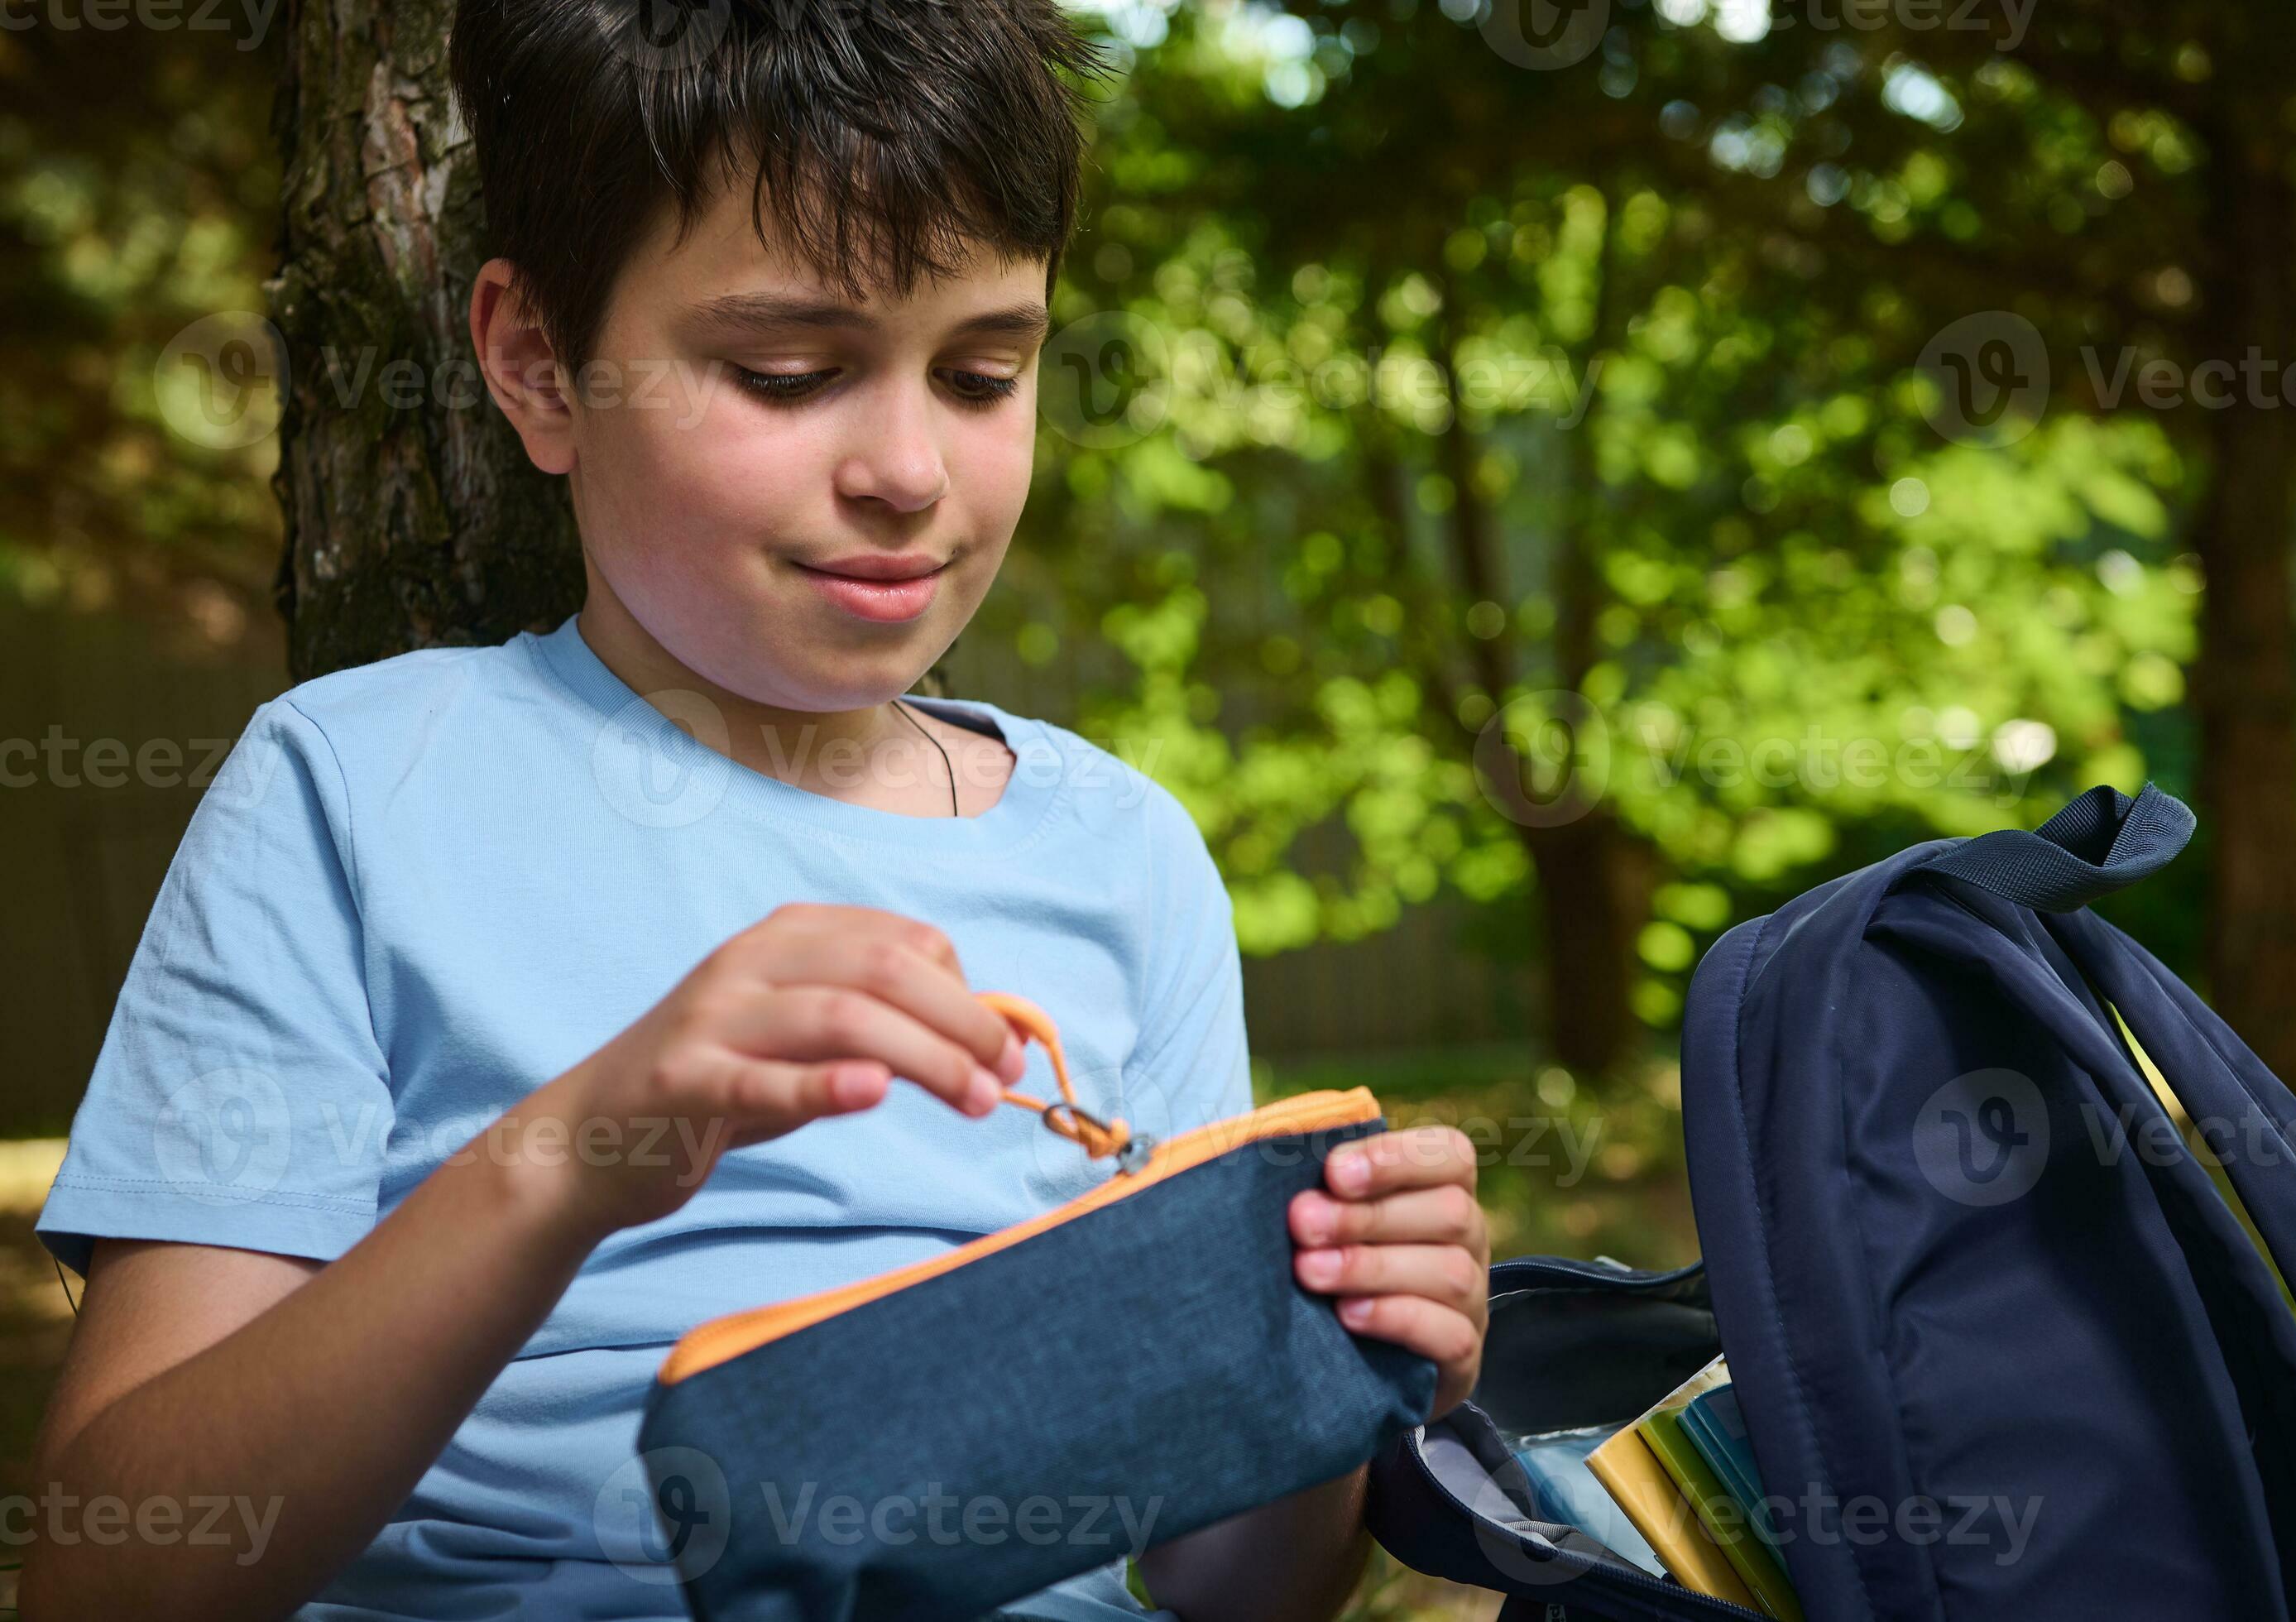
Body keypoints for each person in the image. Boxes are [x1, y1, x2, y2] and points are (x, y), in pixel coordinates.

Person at [20, 2, 1491, 1617]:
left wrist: (1346, 1346)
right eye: (788, 370)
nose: (910, 469)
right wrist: (571, 1155)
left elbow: (1234, 1588)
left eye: (987, 369)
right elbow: (108, 1572)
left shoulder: (1121, 850)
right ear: (536, 365)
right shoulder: (354, 787)